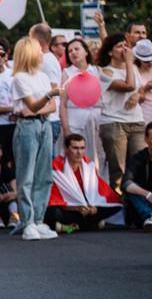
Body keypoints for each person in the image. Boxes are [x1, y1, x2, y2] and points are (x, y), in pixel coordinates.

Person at [11, 37, 61, 241]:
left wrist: (42, 104)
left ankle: (39, 219)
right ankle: (27, 221)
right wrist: (48, 96)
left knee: (44, 174)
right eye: (39, 50)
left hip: (44, 124)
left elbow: (51, 107)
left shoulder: (41, 76)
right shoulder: (19, 78)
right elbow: (33, 105)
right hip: (27, 127)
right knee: (27, 176)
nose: (42, 53)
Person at [96, 33, 145, 194]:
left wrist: (138, 95)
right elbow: (129, 86)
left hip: (136, 121)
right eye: (119, 46)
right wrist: (130, 62)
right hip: (114, 123)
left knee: (139, 166)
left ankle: (138, 210)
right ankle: (118, 210)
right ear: (110, 52)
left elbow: (139, 91)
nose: (124, 50)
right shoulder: (106, 73)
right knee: (119, 170)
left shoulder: (134, 69)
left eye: (126, 45)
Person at [45, 133, 123, 233]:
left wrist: (94, 206)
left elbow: (98, 192)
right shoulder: (56, 167)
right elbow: (53, 199)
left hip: (85, 209)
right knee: (52, 212)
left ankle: (69, 227)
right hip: (68, 209)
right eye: (75, 148)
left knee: (115, 206)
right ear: (66, 149)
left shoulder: (89, 166)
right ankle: (90, 224)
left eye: (82, 148)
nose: (79, 152)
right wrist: (76, 208)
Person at [59, 38, 102, 166]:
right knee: (75, 159)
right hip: (75, 122)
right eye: (70, 51)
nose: (73, 52)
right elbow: (63, 103)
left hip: (96, 121)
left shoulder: (97, 71)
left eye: (77, 49)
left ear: (86, 52)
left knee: (97, 157)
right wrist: (66, 129)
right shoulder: (67, 73)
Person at [30, 23, 63, 154]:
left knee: (46, 163)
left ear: (36, 39)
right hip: (44, 117)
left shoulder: (47, 61)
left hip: (49, 119)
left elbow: (53, 90)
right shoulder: (43, 59)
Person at [123, 122, 152, 231]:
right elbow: (125, 183)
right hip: (141, 206)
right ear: (146, 139)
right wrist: (148, 195)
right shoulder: (138, 158)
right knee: (131, 189)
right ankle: (149, 216)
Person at [132, 39, 152, 127]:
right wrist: (145, 89)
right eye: (147, 61)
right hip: (144, 111)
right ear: (139, 59)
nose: (150, 63)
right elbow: (131, 98)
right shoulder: (134, 72)